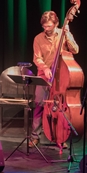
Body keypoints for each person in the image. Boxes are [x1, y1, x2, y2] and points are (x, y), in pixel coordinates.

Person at [29, 11, 79, 150]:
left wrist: (67, 33)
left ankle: (60, 137)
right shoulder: (38, 38)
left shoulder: (63, 34)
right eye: (44, 26)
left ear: (56, 24)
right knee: (39, 104)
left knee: (60, 107)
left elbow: (75, 50)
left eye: (49, 26)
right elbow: (36, 58)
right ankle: (35, 136)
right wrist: (44, 67)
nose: (46, 29)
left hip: (61, 77)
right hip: (44, 76)